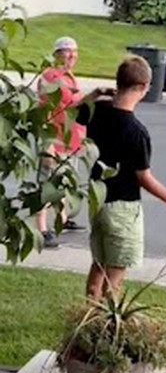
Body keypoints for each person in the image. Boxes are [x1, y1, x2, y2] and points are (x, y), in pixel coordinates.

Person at [77, 55, 166, 300]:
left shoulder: (97, 111)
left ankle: (86, 317)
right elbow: (144, 178)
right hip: (123, 209)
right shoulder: (137, 132)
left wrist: (94, 94)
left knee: (98, 266)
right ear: (144, 87)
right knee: (115, 278)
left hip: (97, 201)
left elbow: (73, 113)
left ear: (117, 82)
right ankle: (109, 329)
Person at [37, 36, 89, 248]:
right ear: (56, 54)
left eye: (74, 51)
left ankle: (62, 220)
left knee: (64, 183)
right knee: (48, 186)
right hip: (55, 140)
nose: (72, 55)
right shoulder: (51, 77)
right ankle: (42, 228)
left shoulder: (69, 77)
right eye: (67, 51)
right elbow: (43, 112)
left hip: (70, 141)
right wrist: (47, 144)